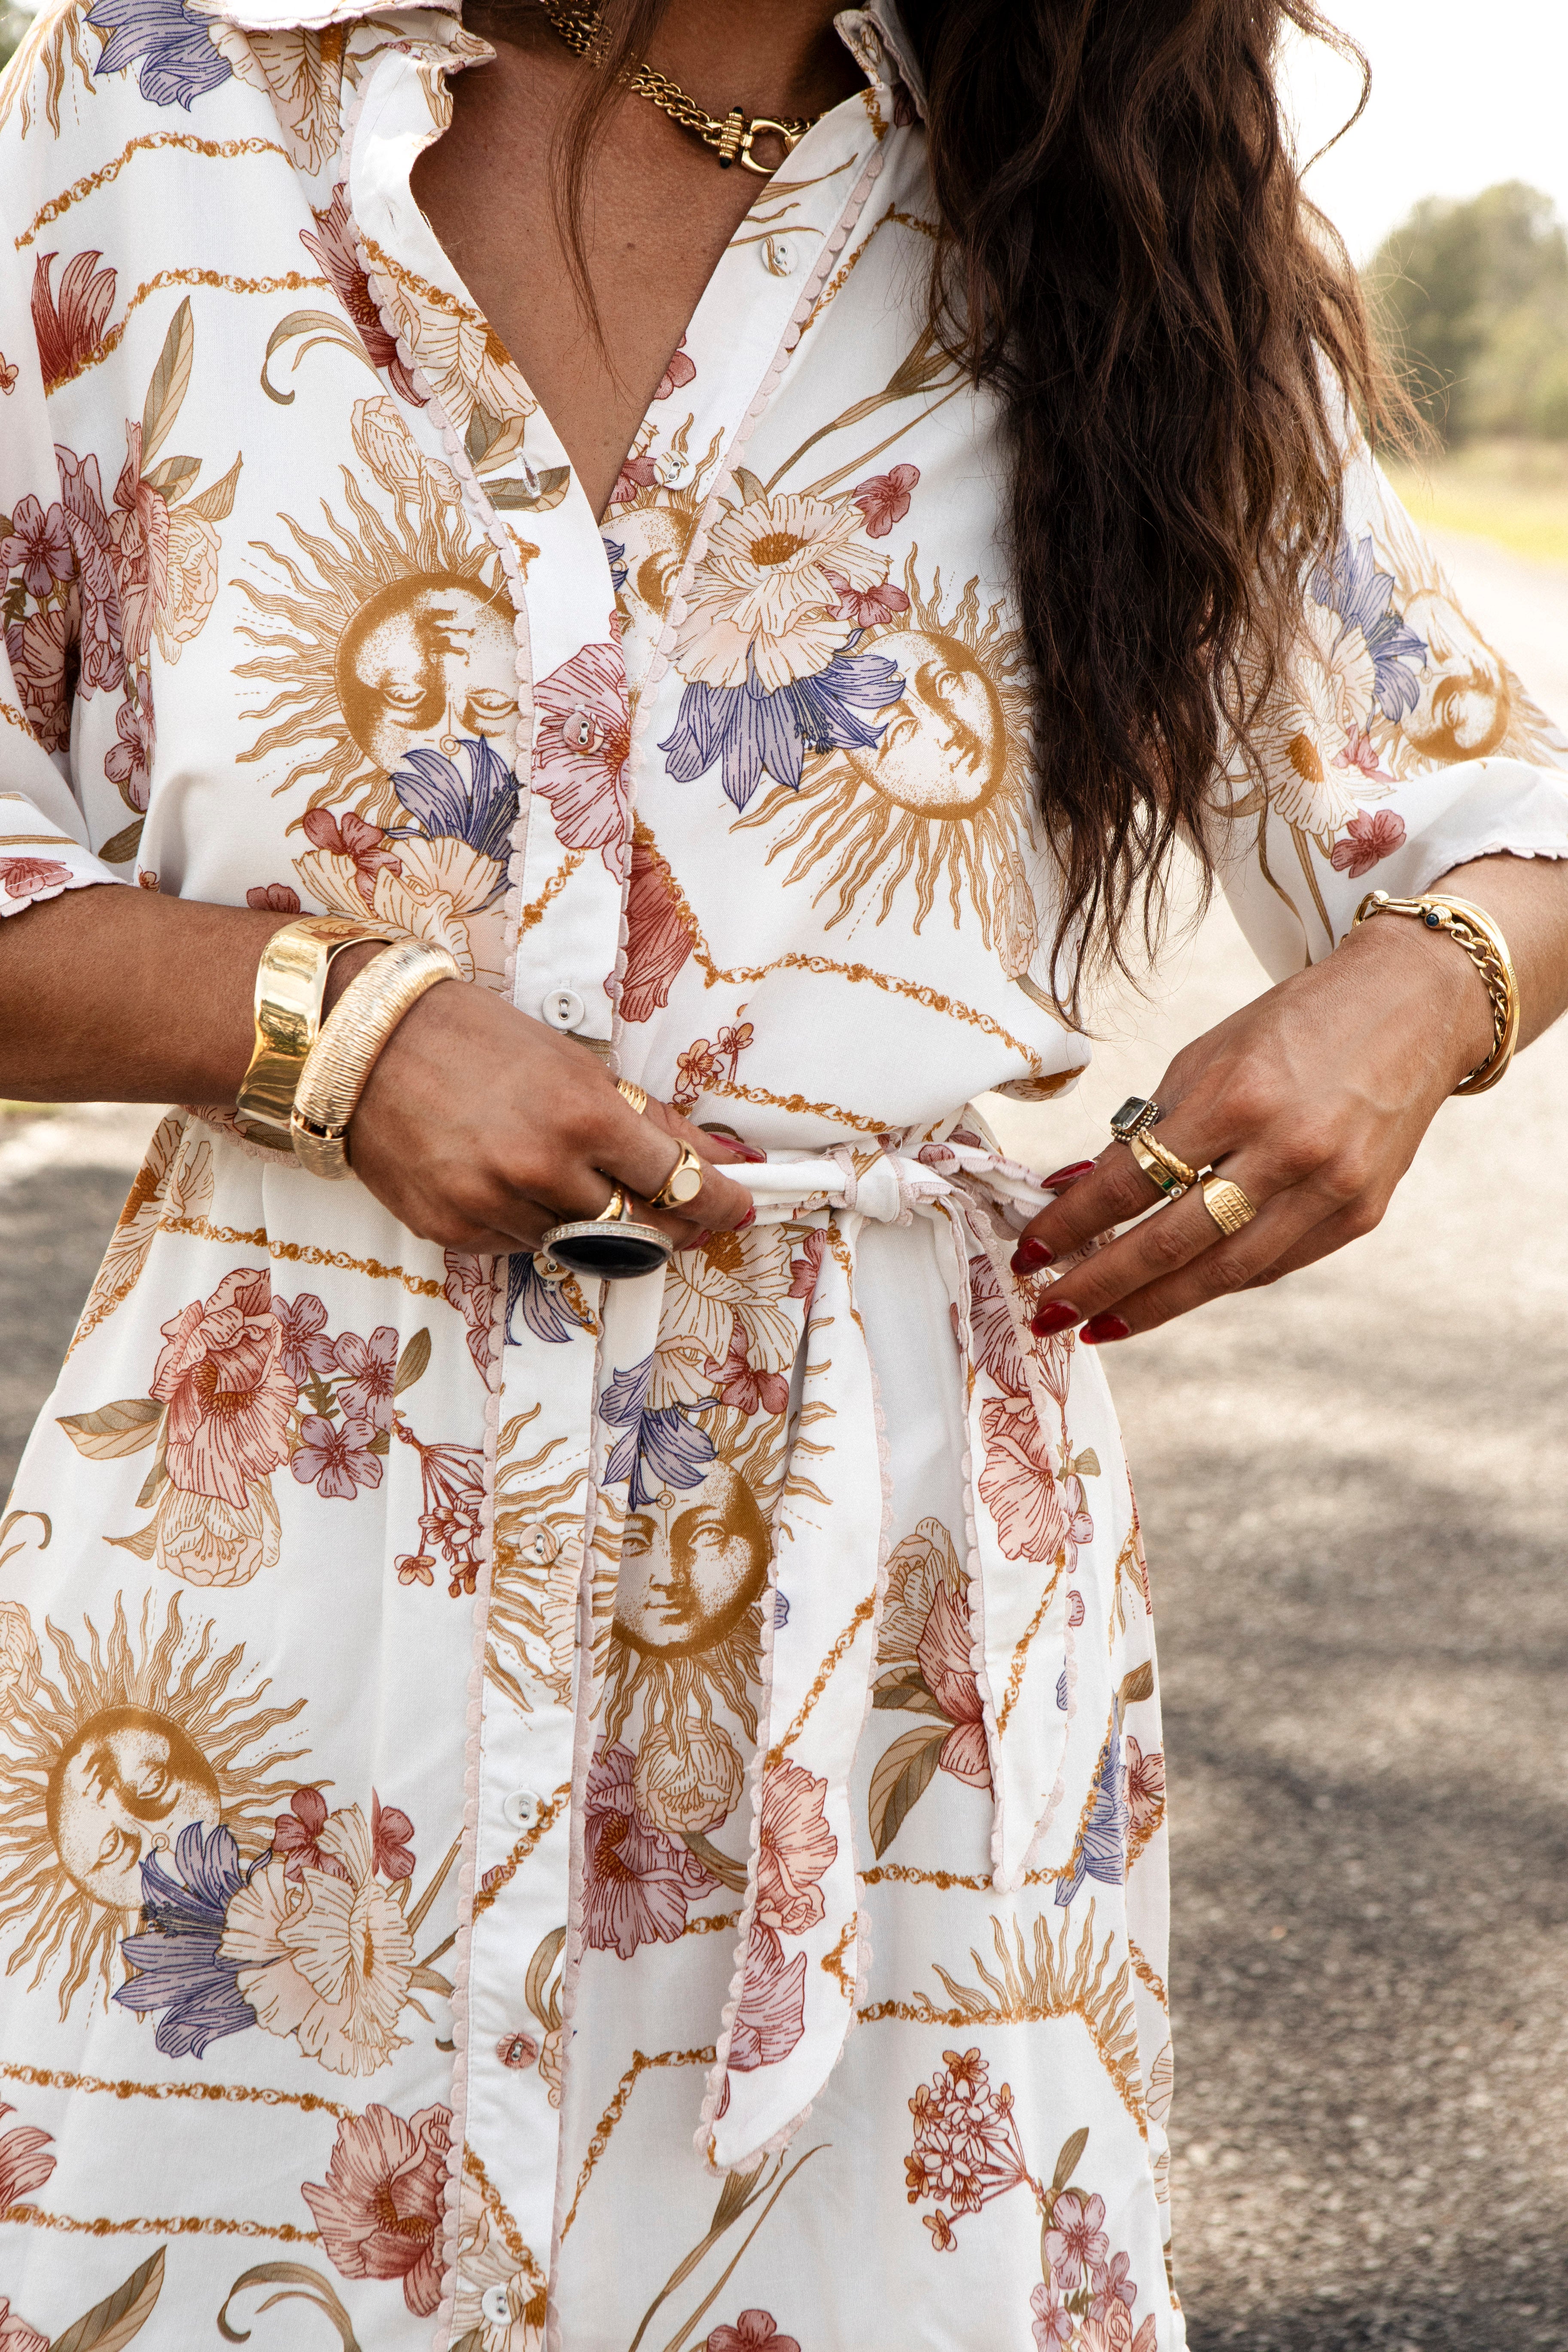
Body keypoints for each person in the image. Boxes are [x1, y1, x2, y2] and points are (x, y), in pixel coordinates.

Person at [0, 0, 1565, 2342]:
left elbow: (1498, 814)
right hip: (274, 1603)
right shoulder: (152, 102)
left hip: (894, 1647)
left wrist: (1415, 992)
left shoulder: (1093, 212)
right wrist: (330, 1025)